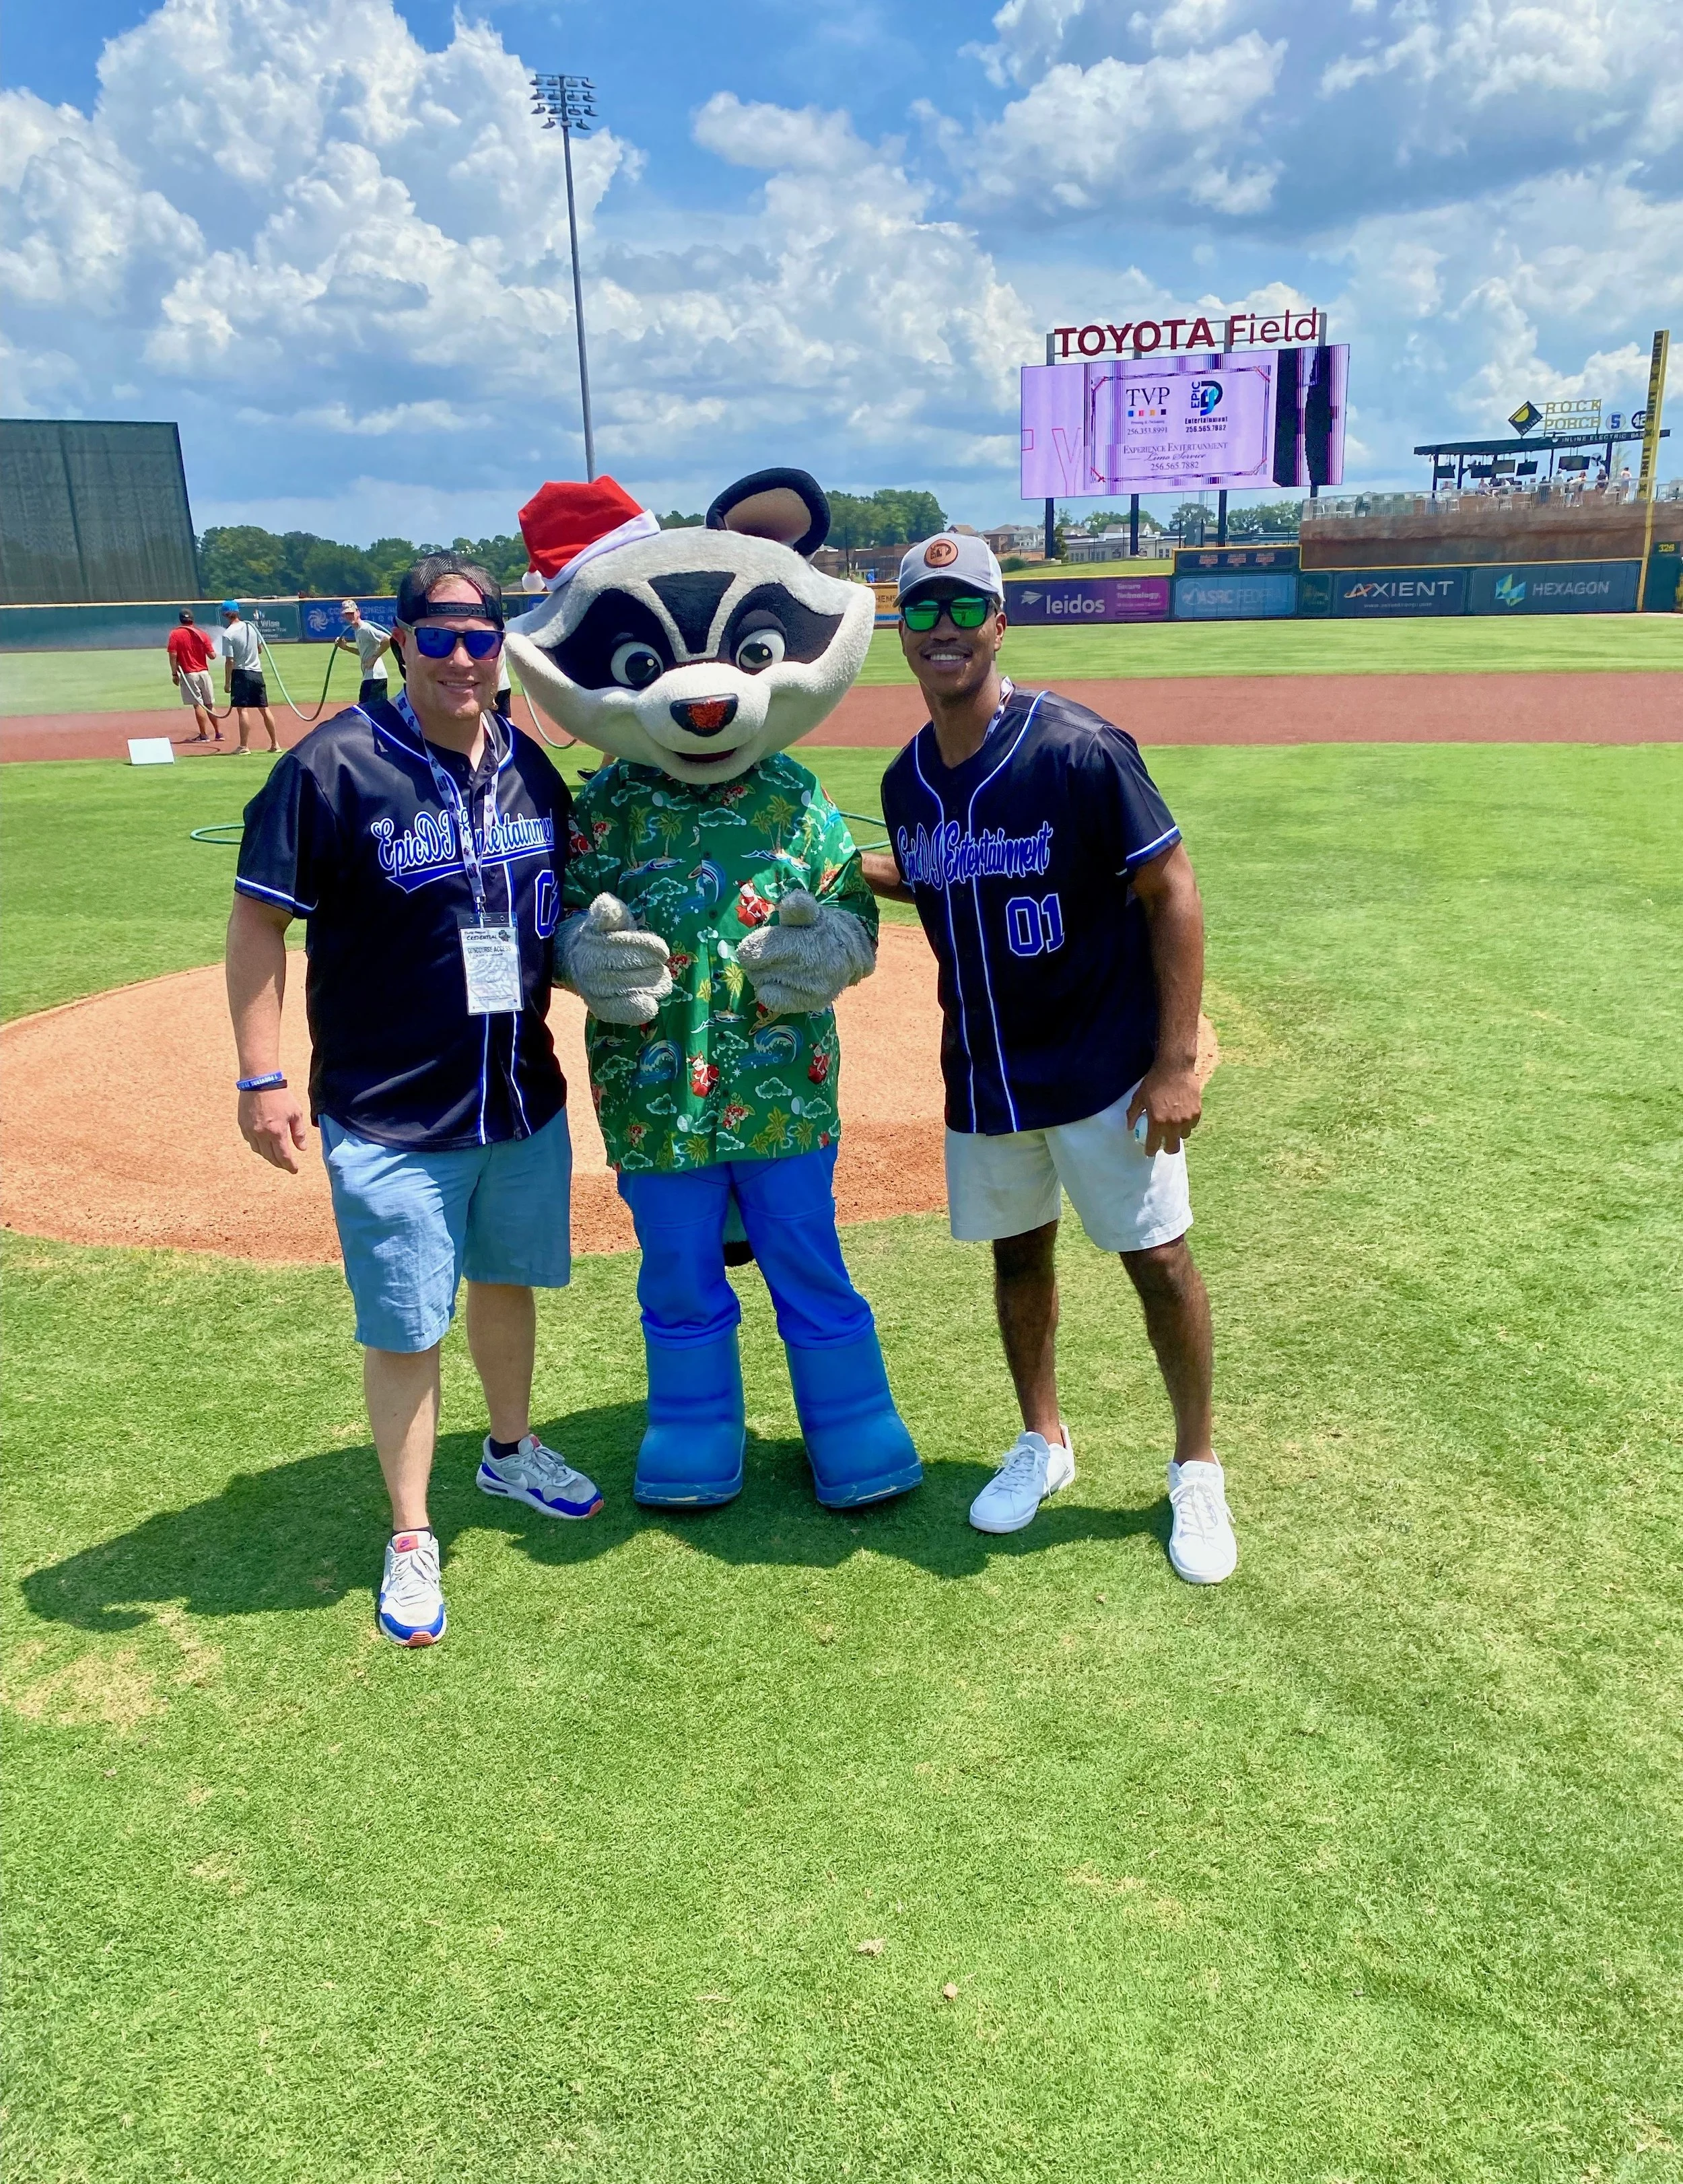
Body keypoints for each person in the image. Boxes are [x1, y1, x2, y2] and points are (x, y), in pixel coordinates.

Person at [225, 553, 599, 1648]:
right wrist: (261, 1075)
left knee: (508, 1281)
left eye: (482, 633)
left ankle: (511, 1450)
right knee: (405, 1327)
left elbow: (551, 918)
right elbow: (258, 923)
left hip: (517, 1096)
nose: (463, 655)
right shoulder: (334, 766)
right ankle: (409, 1530)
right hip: (390, 1110)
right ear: (398, 642)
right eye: (438, 634)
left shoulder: (530, 766)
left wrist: (598, 961)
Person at [860, 532, 1237, 1583]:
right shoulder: (906, 781)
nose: (943, 628)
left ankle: (1196, 1465)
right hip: (985, 1072)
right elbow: (942, 873)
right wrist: (850, 874)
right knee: (1017, 1256)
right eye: (922, 609)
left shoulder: (1077, 747)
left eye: (962, 607)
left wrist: (1174, 1061)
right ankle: (1045, 1440)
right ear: (903, 628)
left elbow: (1173, 892)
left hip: (1105, 1068)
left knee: (1157, 1259)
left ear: (998, 621)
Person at [219, 601, 281, 754]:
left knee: (242, 710)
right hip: (257, 673)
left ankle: (244, 746)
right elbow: (260, 650)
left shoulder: (228, 634)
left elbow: (230, 661)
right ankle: (275, 744)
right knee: (264, 708)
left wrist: (227, 683)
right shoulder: (251, 628)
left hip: (241, 673)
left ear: (225, 615)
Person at [166, 608, 219, 743]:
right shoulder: (202, 634)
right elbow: (212, 656)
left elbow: (173, 655)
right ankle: (219, 734)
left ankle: (204, 735)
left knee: (198, 705)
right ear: (192, 620)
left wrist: (174, 673)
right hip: (204, 673)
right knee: (210, 704)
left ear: (180, 620)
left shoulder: (175, 634)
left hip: (189, 674)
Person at [335, 598, 392, 708]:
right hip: (370, 677)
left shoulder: (365, 628)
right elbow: (363, 653)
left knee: (371, 711)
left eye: (352, 613)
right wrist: (346, 648)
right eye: (347, 614)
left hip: (375, 678)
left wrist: (374, 658)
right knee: (370, 710)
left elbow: (387, 640)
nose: (350, 616)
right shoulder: (358, 631)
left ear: (358, 612)